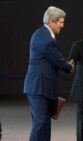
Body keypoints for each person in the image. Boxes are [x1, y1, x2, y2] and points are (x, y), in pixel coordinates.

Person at [23, 6, 74, 141]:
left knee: (45, 124)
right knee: (40, 124)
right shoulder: (46, 39)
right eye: (61, 22)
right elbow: (57, 60)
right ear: (52, 21)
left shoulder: (42, 34)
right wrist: (69, 66)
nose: (62, 26)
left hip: (42, 87)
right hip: (38, 87)